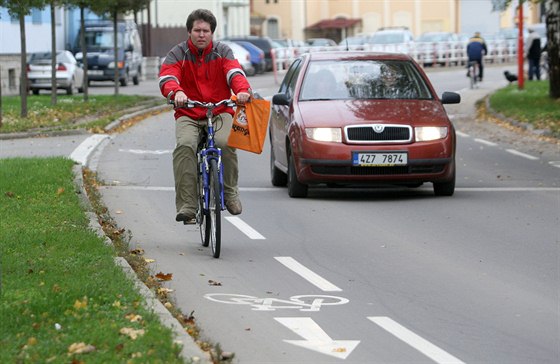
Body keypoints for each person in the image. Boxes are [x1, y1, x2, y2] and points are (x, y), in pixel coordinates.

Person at [159, 9, 251, 223]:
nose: (201, 35)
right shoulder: (178, 53)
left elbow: (234, 72)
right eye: (197, 30)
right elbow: (167, 76)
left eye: (206, 31)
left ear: (212, 33)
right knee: (185, 146)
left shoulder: (222, 51)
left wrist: (242, 91)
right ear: (189, 32)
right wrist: (177, 92)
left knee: (226, 143)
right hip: (188, 112)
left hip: (219, 110)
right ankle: (187, 205)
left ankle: (230, 194)